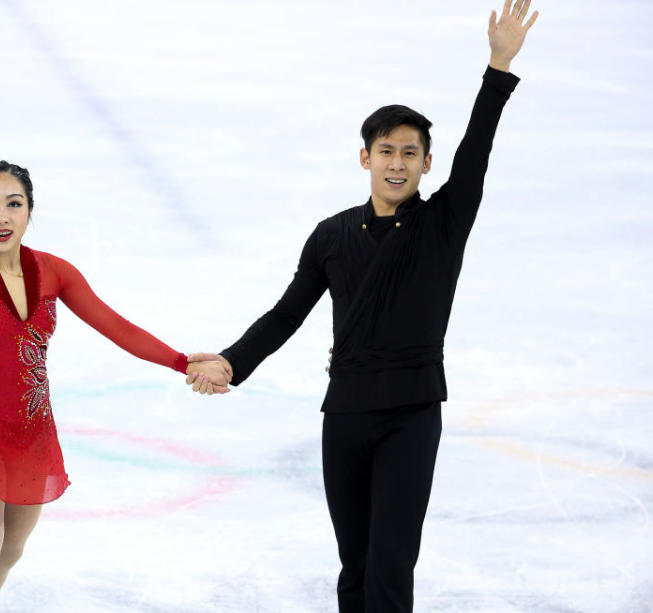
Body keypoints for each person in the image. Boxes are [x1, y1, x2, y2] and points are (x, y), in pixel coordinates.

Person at [185, 2, 540, 611]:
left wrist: (498, 66)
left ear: (427, 163)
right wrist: (232, 362)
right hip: (344, 414)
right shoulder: (331, 235)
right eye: (385, 151)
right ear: (365, 158)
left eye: (409, 153)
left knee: (389, 565)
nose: (396, 163)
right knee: (354, 566)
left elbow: (477, 148)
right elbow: (286, 313)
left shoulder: (443, 224)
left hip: (410, 413)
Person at [0, 94, 227, 613]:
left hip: (34, 433)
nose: (2, 215)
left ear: (30, 210)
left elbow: (113, 325)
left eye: (14, 202)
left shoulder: (55, 272)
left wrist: (180, 360)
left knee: (11, 553)